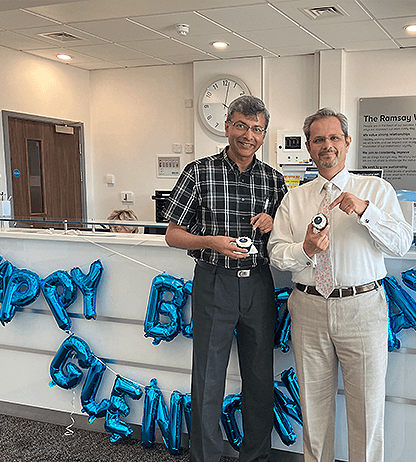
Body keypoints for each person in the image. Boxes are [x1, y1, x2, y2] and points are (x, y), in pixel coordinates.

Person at [268, 108, 412, 462]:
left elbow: (400, 243)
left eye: (334, 138)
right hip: (309, 307)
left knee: (367, 410)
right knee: (313, 411)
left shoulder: (375, 189)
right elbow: (276, 253)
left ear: (347, 143)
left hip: (362, 308)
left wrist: (366, 211)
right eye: (319, 139)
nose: (327, 146)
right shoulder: (296, 198)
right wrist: (305, 249)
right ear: (308, 146)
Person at [163, 95, 287, 462]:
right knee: (208, 377)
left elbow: (288, 233)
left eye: (257, 129)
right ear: (228, 126)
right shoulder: (198, 172)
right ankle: (206, 457)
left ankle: (256, 456)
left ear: (264, 134)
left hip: (259, 284)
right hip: (214, 281)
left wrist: (274, 221)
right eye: (242, 126)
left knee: (260, 377)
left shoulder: (273, 180)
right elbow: (173, 234)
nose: (249, 135)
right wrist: (211, 242)